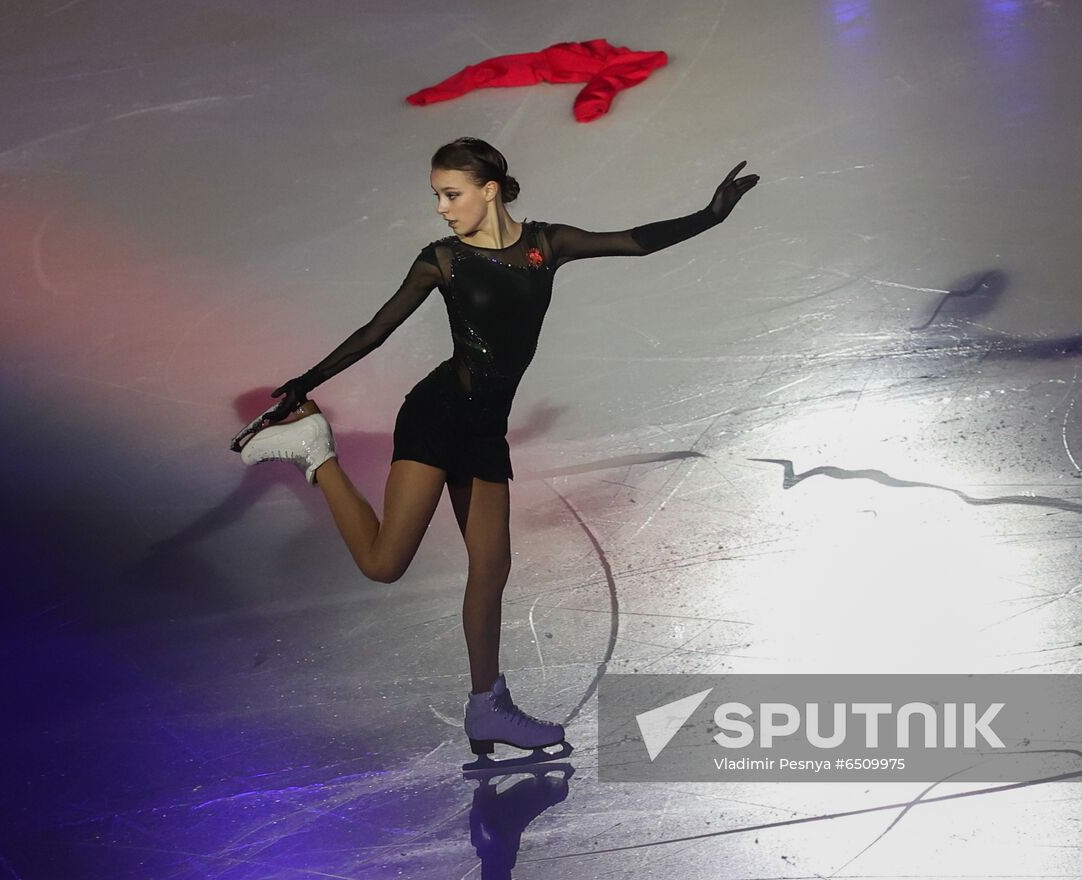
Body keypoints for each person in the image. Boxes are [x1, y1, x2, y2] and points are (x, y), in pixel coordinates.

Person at [233, 136, 758, 757]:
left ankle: (488, 708)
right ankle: (319, 453)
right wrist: (304, 384)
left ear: (488, 190)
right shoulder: (442, 260)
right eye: (437, 196)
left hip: (486, 428)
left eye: (450, 194)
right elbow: (376, 330)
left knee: (491, 568)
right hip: (438, 415)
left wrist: (710, 215)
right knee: (384, 564)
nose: (442, 208)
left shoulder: (546, 245)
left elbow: (634, 241)